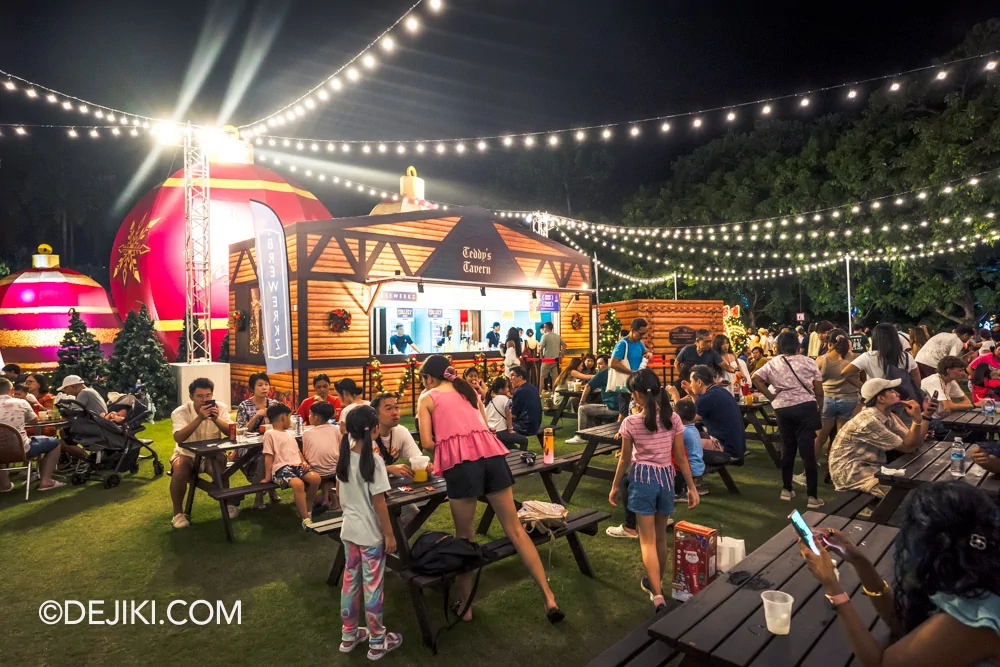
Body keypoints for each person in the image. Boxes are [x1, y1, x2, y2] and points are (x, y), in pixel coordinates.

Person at [416, 354, 563, 622]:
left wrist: (451, 446)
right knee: (516, 530)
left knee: (465, 537)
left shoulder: (427, 397)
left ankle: (466, 606)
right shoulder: (469, 392)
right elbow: (483, 428)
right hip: (492, 458)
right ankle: (548, 595)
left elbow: (427, 442)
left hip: (462, 465)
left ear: (428, 378)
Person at [799, 482, 1000, 667]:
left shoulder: (975, 618)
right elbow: (902, 624)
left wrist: (832, 586)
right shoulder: (977, 577)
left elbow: (882, 664)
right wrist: (858, 560)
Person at [609, 369, 699, 614]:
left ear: (637, 395)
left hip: (642, 480)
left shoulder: (631, 422)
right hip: (666, 479)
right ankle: (656, 583)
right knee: (660, 538)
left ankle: (657, 594)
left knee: (646, 540)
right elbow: (681, 457)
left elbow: (625, 459)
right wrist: (691, 487)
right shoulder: (674, 419)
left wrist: (616, 485)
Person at [335, 405, 402, 660]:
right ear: (374, 429)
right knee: (373, 587)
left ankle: (349, 635)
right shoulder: (374, 460)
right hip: (370, 535)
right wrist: (389, 534)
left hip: (349, 532)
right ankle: (377, 641)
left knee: (350, 584)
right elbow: (380, 502)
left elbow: (341, 496)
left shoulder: (344, 456)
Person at [752, 331, 826, 508]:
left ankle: (786, 489)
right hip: (806, 406)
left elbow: (755, 377)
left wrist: (771, 396)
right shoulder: (809, 361)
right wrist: (819, 407)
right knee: (808, 451)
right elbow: (819, 389)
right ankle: (812, 497)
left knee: (788, 447)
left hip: (782, 408)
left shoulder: (773, 363)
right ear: (798, 346)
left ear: (778, 347)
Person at [828, 378, 935, 498]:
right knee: (909, 496)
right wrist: (916, 419)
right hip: (852, 474)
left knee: (916, 489)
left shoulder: (886, 415)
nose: (898, 394)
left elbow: (913, 443)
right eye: (893, 391)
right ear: (881, 398)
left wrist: (926, 415)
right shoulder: (869, 421)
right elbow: (908, 447)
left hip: (871, 467)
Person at [168, 378, 233, 528]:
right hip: (187, 454)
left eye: (208, 396)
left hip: (211, 453)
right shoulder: (180, 412)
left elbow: (232, 433)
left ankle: (228, 502)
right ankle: (177, 513)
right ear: (191, 397)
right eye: (200, 396)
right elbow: (178, 438)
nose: (205, 400)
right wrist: (199, 418)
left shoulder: (220, 407)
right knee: (180, 468)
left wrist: (215, 419)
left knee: (218, 467)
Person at [810, 329, 859, 484]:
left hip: (827, 399)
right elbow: (861, 379)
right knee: (841, 439)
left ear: (829, 343)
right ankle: (835, 472)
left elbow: (814, 383)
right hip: (850, 399)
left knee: (819, 438)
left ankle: (808, 471)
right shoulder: (856, 359)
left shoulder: (821, 360)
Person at [261, 403, 321, 530]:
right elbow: (268, 456)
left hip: (296, 465)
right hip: (281, 468)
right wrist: (268, 476)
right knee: (298, 484)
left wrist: (303, 462)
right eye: (290, 417)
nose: (291, 420)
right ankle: (305, 519)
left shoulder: (289, 433)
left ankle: (307, 507)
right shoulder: (269, 434)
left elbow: (297, 451)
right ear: (283, 417)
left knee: (316, 479)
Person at [0, 377, 64, 493]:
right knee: (55, 443)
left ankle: (4, 485)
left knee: (2, 445)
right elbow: (34, 421)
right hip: (20, 449)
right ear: (12, 390)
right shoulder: (21, 402)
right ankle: (46, 480)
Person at [671, 365, 747, 461]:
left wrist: (675, 396)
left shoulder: (707, 398)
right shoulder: (720, 391)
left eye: (691, 381)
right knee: (695, 434)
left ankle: (690, 474)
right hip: (737, 446)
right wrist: (692, 394)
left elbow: (685, 419)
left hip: (726, 449)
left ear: (699, 382)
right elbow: (698, 410)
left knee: (678, 443)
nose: (690, 385)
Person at [235, 372, 281, 509]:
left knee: (277, 454)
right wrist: (256, 416)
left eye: (266, 384)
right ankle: (258, 498)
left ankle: (271, 489)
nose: (264, 388)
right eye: (260, 385)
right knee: (264, 457)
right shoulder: (244, 405)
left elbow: (281, 425)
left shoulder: (274, 404)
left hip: (271, 443)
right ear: (252, 388)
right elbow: (241, 431)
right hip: (250, 448)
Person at [842, 323, 921, 395]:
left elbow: (846, 373)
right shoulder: (906, 356)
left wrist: (864, 387)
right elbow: (916, 379)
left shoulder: (868, 357)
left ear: (875, 338)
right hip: (901, 398)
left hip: (877, 399)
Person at [370, 392, 431, 478]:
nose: (395, 413)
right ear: (375, 415)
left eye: (396, 407)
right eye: (388, 409)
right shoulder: (365, 435)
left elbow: (417, 458)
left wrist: (426, 465)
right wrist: (389, 469)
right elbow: (357, 470)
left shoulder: (401, 431)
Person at [567, 355, 619, 443]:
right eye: (597, 364)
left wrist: (582, 401)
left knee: (582, 409)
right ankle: (591, 432)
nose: (597, 366)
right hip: (622, 409)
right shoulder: (617, 372)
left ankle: (581, 437)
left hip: (611, 408)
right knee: (591, 406)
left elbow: (587, 386)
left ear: (607, 364)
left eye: (600, 364)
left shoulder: (604, 373)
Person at [921, 355, 975, 438]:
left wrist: (956, 406)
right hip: (926, 420)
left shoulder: (950, 380)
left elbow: (967, 401)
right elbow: (949, 407)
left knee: (972, 428)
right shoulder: (935, 381)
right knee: (963, 431)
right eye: (960, 370)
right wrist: (972, 406)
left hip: (942, 418)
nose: (964, 373)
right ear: (948, 371)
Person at [301, 401, 341, 511]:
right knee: (328, 470)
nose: (309, 416)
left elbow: (306, 453)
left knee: (319, 466)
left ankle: (324, 500)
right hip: (335, 468)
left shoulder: (307, 433)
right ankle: (331, 501)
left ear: (316, 418)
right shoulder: (335, 429)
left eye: (310, 414)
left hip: (317, 471)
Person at [612, 318, 653, 417]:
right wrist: (632, 372)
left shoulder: (638, 343)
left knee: (637, 410)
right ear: (633, 330)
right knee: (623, 413)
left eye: (644, 333)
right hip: (626, 383)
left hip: (636, 382)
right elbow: (613, 363)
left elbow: (645, 352)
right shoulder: (622, 344)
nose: (643, 336)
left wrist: (648, 354)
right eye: (641, 334)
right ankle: (620, 431)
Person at [673, 399, 708, 497]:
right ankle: (698, 484)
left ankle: (682, 489)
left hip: (691, 469)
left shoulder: (683, 432)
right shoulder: (693, 429)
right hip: (699, 466)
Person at [484, 376, 530, 451]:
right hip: (501, 432)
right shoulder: (504, 399)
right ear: (500, 390)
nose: (508, 389)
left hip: (491, 432)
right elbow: (508, 416)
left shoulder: (489, 401)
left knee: (512, 447)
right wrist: (510, 429)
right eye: (506, 388)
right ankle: (522, 459)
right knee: (524, 440)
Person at [509, 366, 542, 437]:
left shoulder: (519, 392)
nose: (510, 379)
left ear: (520, 377)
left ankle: (508, 446)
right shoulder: (532, 388)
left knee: (500, 426)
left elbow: (513, 415)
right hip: (536, 424)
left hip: (525, 427)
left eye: (512, 376)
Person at [538, 322, 565, 391]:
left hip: (546, 360)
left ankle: (540, 394)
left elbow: (540, 348)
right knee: (554, 380)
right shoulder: (557, 336)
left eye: (544, 327)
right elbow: (564, 345)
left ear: (546, 328)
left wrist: (541, 358)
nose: (543, 329)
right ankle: (554, 394)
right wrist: (561, 355)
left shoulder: (545, 336)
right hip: (555, 361)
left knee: (542, 378)